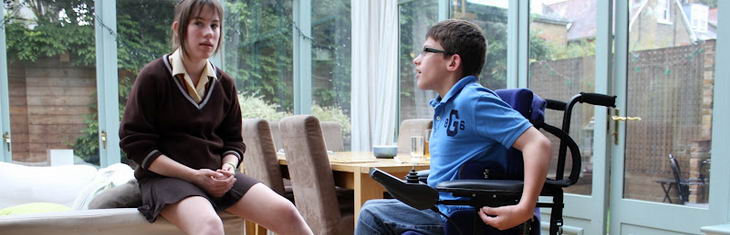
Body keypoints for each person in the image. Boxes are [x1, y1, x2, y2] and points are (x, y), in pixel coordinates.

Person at [119, 1, 313, 234]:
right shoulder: (153, 76)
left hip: (215, 176)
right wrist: (194, 176)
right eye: (198, 24)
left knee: (287, 212)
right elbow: (135, 144)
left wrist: (228, 169)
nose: (209, 33)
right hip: (165, 179)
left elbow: (233, 141)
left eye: (215, 25)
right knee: (209, 226)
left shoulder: (224, 83)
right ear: (178, 28)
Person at [355, 19, 552, 234]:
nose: (416, 60)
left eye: (426, 51)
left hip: (457, 211)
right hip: (440, 205)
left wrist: (525, 208)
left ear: (452, 62)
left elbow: (538, 144)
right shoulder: (448, 105)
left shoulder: (472, 99)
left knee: (371, 213)